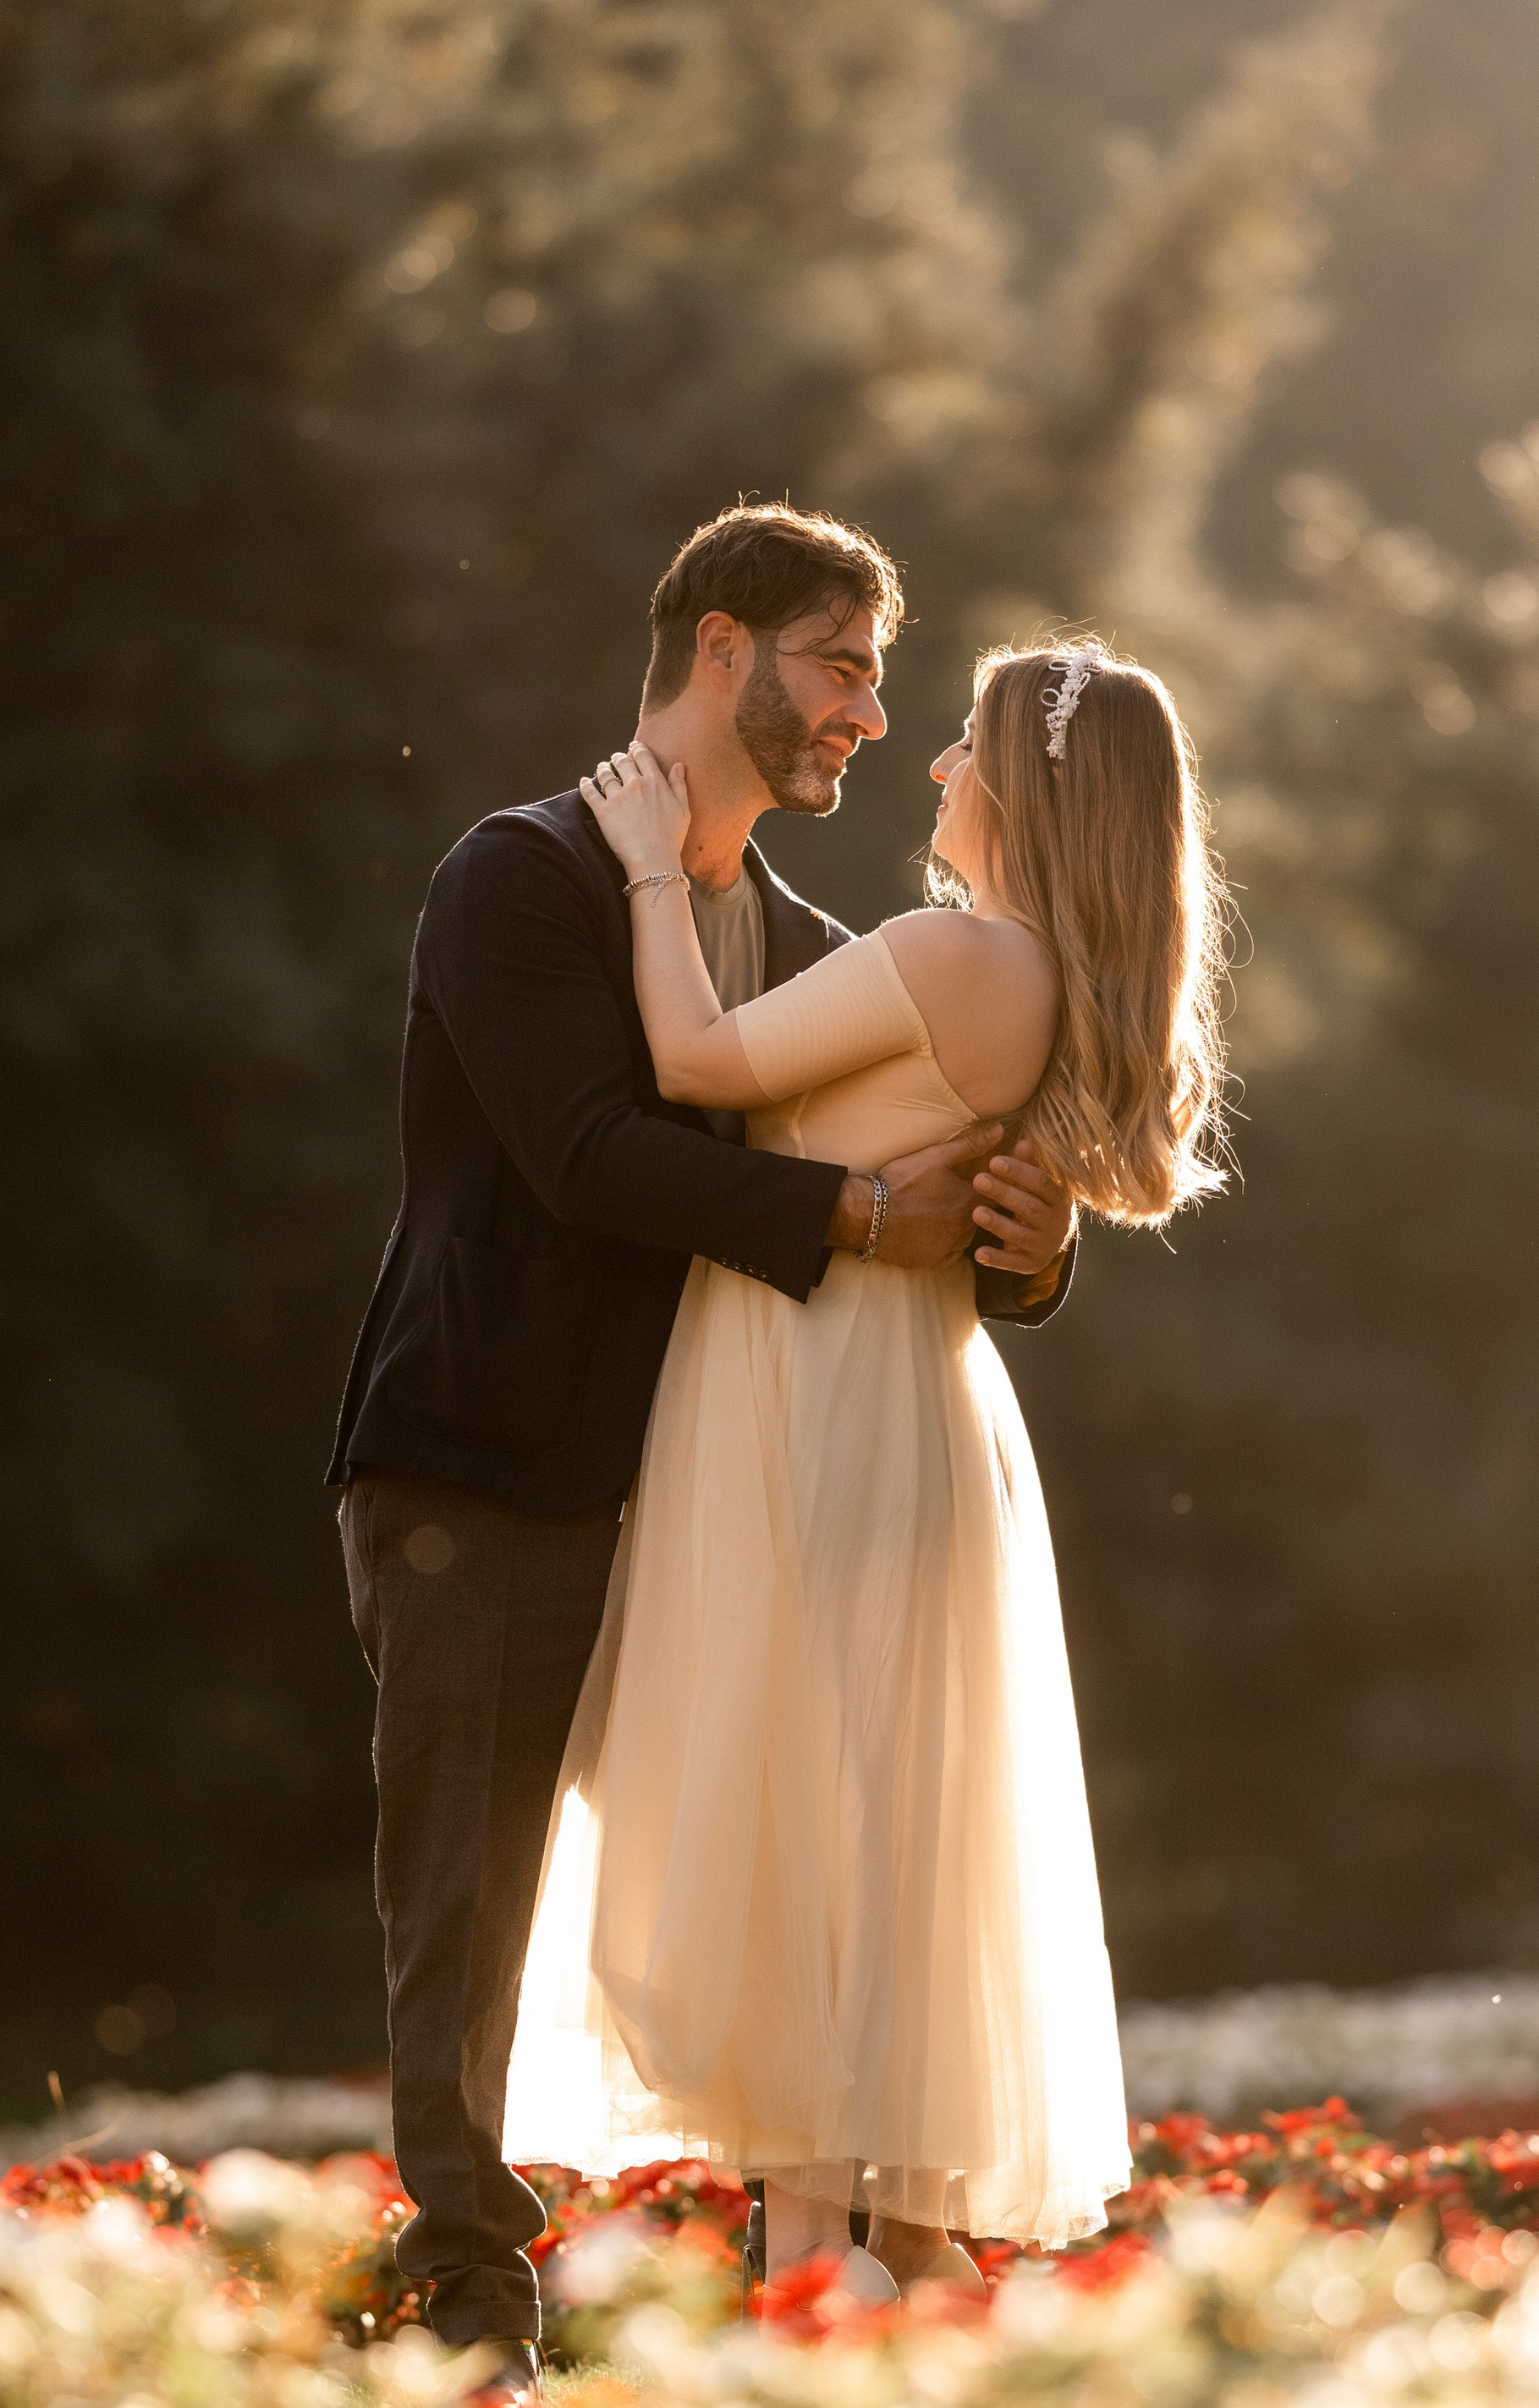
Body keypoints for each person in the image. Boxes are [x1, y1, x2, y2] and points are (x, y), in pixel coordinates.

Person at [328, 505, 1080, 2392]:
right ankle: (472, 2315)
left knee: (773, 1880)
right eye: (840, 667)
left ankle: (779, 2291)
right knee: (474, 1895)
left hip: (716, 1499)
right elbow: (585, 1152)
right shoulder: (517, 881)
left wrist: (1029, 1246)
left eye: (881, 681)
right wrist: (841, 1217)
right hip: (487, 1474)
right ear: (722, 648)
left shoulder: (808, 941)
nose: (867, 715)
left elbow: (945, 1174)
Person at [503, 635, 1231, 2295]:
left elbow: (693, 1063)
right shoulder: (1024, 974)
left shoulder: (958, 955)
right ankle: (888, 2259)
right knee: (869, 1829)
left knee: (808, 1822)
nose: (930, 771)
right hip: (887, 1392)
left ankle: (819, 2267)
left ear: (1023, 791)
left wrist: (641, 874)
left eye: (961, 747)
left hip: (812, 1396)